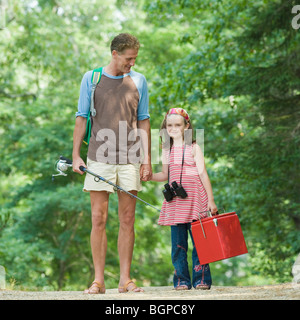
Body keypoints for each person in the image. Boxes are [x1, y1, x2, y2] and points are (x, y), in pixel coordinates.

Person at [72, 33, 152, 294]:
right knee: (98, 218)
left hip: (130, 158)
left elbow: (143, 121)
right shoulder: (92, 79)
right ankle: (98, 280)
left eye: (135, 59)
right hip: (99, 157)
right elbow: (81, 118)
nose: (132, 63)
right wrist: (76, 155)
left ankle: (125, 280)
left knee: (127, 218)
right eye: (129, 59)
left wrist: (147, 159)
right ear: (115, 53)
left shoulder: (139, 81)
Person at [149, 107, 218, 290]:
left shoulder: (194, 147)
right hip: (176, 204)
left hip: (196, 201)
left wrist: (211, 200)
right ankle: (181, 280)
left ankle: (201, 279)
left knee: (200, 243)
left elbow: (203, 174)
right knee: (178, 245)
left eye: (177, 125)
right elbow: (164, 174)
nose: (173, 128)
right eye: (169, 125)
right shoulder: (166, 149)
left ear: (186, 126)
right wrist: (148, 175)